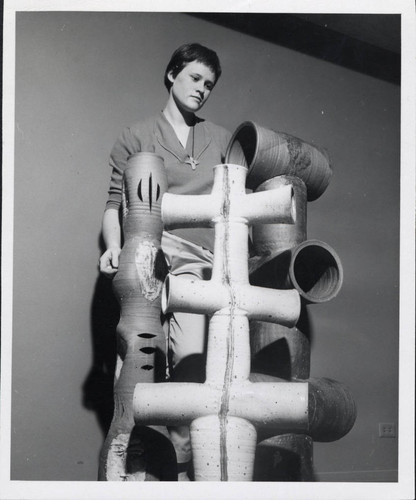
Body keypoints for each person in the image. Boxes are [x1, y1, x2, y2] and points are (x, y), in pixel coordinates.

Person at [99, 43, 231, 479]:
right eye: (195, 78)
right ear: (172, 75)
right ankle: (132, 474)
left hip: (197, 264)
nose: (202, 90)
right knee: (136, 371)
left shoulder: (220, 139)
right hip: (147, 257)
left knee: (192, 376)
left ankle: (185, 474)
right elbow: (115, 204)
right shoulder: (136, 134)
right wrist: (114, 247)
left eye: (209, 84)